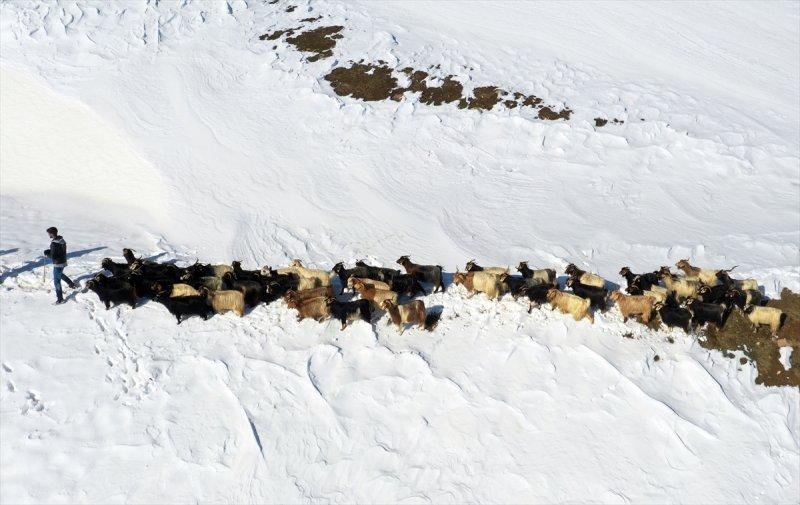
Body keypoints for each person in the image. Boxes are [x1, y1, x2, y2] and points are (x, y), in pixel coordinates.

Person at [44, 226, 77, 304]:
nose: (49, 235)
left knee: (57, 281)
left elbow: (53, 256)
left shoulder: (54, 243)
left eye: (49, 234)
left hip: (58, 263)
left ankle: (60, 299)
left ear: (52, 234)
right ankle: (71, 284)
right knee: (60, 274)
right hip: (63, 261)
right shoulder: (61, 240)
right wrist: (49, 251)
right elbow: (59, 251)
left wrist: (47, 254)